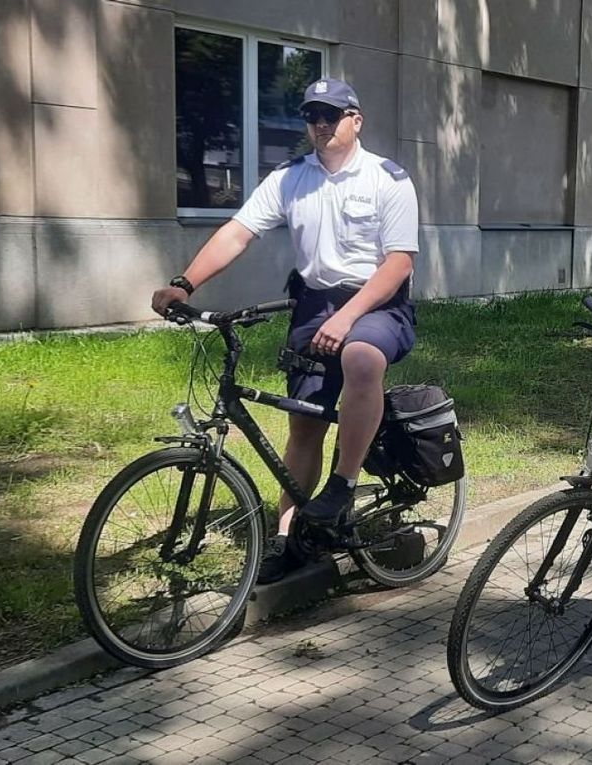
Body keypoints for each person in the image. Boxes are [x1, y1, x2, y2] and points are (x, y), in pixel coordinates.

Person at [151, 77, 420, 584]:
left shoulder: (388, 179)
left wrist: (347, 317)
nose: (320, 125)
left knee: (361, 357)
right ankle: (289, 535)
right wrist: (184, 284)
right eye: (312, 116)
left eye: (331, 115)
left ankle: (342, 484)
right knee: (304, 425)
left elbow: (399, 263)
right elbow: (238, 232)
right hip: (313, 305)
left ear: (355, 121)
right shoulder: (291, 177)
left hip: (378, 303)